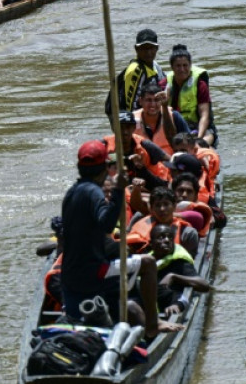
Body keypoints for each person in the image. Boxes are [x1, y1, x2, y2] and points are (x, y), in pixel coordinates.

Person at [60, 140, 181, 339]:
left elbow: (88, 234)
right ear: (104, 169)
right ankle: (153, 324)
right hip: (92, 272)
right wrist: (118, 190)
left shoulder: (71, 193)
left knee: (126, 272)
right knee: (148, 263)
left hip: (71, 273)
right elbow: (107, 224)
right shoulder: (93, 192)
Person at [148, 224, 210, 316]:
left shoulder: (180, 262)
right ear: (151, 243)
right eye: (161, 237)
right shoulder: (147, 261)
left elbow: (204, 286)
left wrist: (174, 277)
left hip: (170, 303)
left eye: (170, 237)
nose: (167, 240)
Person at [106, 29, 167, 117]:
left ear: (157, 48)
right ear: (136, 49)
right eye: (144, 49)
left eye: (151, 48)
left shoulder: (155, 65)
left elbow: (164, 86)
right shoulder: (135, 71)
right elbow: (131, 106)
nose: (148, 52)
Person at [167, 44, 218, 146]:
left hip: (198, 129)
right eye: (178, 66)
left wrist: (198, 139)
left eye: (185, 65)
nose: (182, 69)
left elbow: (204, 115)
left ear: (190, 65)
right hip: (176, 127)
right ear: (172, 67)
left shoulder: (200, 85)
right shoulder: (165, 84)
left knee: (207, 139)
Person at [104, 112, 170, 189]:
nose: (125, 132)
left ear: (134, 127)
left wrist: (141, 168)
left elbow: (172, 160)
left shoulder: (145, 145)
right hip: (115, 187)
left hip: (147, 185)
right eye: (121, 128)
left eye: (128, 127)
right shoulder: (104, 145)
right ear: (113, 128)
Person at [126, 187, 199, 256]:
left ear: (174, 206)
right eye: (157, 205)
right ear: (151, 208)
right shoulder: (139, 221)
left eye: (166, 204)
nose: (162, 209)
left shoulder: (187, 233)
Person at [133, 81, 190, 156]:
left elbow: (190, 142)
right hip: (142, 162)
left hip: (170, 162)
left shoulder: (174, 116)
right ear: (140, 101)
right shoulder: (132, 119)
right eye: (148, 100)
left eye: (156, 100)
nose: (153, 104)